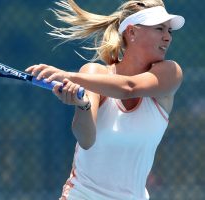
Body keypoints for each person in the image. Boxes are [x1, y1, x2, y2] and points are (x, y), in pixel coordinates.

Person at [26, 0, 185, 199]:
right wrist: (82, 105)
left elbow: (129, 88)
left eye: (170, 31)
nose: (167, 37)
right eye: (160, 29)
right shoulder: (93, 72)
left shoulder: (170, 72)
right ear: (132, 32)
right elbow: (86, 140)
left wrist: (68, 76)